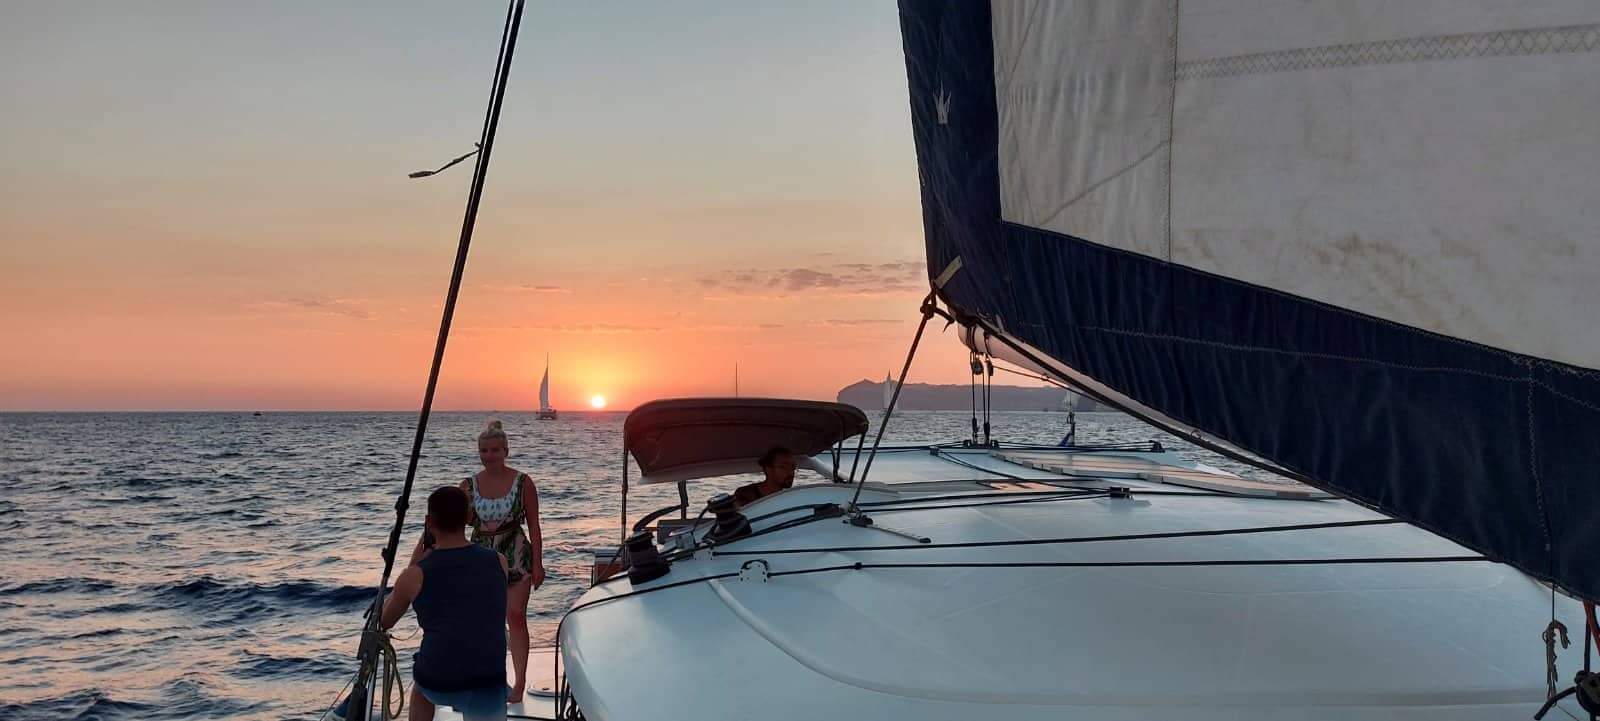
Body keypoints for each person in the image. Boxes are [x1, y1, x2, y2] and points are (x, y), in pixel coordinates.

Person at [381, 486, 509, 721]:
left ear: (429, 522)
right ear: (469, 517)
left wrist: (415, 562)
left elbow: (385, 620)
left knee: (421, 690)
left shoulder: (415, 575)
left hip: (437, 680)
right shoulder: (499, 562)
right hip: (488, 679)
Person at [458, 419, 545, 702]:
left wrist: (538, 564)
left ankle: (519, 684)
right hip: (481, 556)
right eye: (484, 450)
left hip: (516, 554)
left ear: (506, 451)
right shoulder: (468, 486)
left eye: (495, 450)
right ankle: (491, 678)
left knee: (515, 616)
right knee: (485, 621)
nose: (489, 455)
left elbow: (534, 526)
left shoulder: (523, 482)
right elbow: (456, 526)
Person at [732, 445, 797, 508]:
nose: (791, 473)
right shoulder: (745, 494)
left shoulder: (790, 498)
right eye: (783, 467)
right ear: (768, 469)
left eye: (793, 468)